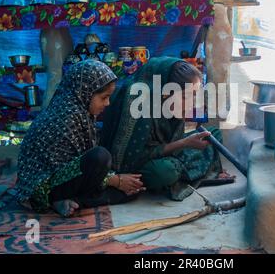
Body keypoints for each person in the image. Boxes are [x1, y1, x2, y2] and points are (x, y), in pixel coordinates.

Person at [15, 60, 144, 217]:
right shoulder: (67, 117)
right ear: (85, 92)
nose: (108, 103)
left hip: (65, 179)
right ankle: (64, 201)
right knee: (100, 157)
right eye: (104, 97)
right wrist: (115, 180)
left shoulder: (80, 110)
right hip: (41, 188)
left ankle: (74, 201)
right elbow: (66, 171)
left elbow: (81, 165)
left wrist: (115, 179)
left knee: (130, 191)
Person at [100, 57, 233, 201]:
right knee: (164, 172)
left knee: (213, 134)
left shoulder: (167, 104)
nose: (192, 104)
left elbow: (177, 135)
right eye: (186, 97)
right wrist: (184, 143)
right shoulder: (137, 102)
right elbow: (128, 160)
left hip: (168, 154)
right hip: (139, 165)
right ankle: (191, 170)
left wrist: (185, 139)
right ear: (165, 93)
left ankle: (187, 169)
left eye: (194, 96)